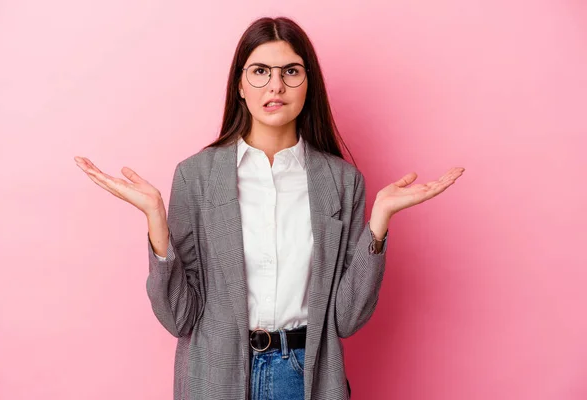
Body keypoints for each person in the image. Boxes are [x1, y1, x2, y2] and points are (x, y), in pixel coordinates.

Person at [74, 16, 464, 400]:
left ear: (308, 84)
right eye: (260, 70)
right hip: (217, 378)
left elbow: (347, 319)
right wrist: (156, 221)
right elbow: (180, 318)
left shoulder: (343, 182)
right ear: (240, 84)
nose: (276, 85)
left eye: (291, 71)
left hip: (304, 377)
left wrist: (378, 224)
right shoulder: (196, 177)